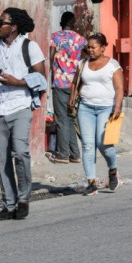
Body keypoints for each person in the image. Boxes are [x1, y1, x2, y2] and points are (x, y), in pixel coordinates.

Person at [0, 8, 46, 221]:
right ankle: (8, 205)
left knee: (20, 152)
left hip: (20, 106)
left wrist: (17, 82)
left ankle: (24, 198)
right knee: (1, 159)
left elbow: (41, 78)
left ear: (14, 27)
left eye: (1, 23)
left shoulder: (30, 47)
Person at [68, 32, 124, 196]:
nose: (90, 50)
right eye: (88, 47)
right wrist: (73, 98)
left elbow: (120, 88)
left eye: (94, 47)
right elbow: (76, 83)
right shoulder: (83, 64)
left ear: (103, 48)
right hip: (85, 108)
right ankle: (91, 182)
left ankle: (113, 170)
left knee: (103, 143)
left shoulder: (113, 65)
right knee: (87, 145)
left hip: (106, 108)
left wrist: (118, 107)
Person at [48, 11, 85, 163]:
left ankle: (63, 154)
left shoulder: (55, 37)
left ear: (61, 23)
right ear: (74, 23)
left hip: (59, 82)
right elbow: (85, 57)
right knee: (70, 118)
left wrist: (51, 73)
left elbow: (50, 57)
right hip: (75, 83)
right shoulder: (80, 39)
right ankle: (75, 154)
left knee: (61, 119)